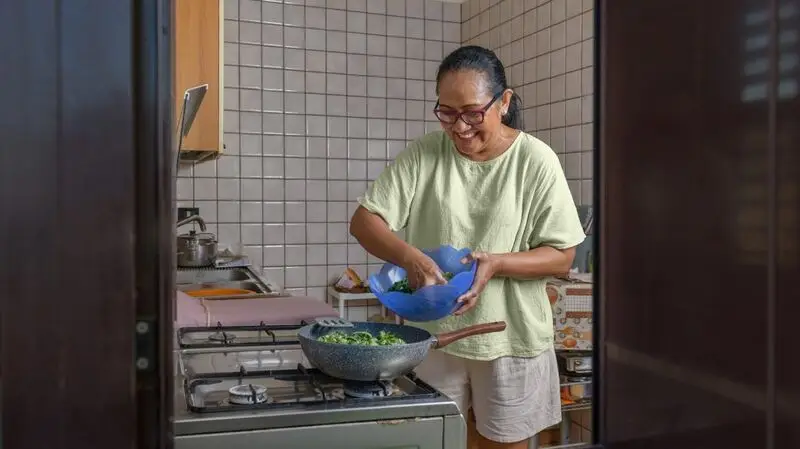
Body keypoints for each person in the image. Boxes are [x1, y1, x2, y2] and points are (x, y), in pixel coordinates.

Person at [349, 45, 586, 449]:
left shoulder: (536, 161)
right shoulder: (425, 153)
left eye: (473, 113)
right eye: (447, 113)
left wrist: (497, 263)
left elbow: (562, 254)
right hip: (435, 336)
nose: (459, 127)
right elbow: (364, 221)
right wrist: (410, 257)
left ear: (504, 102)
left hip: (511, 340)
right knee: (434, 440)